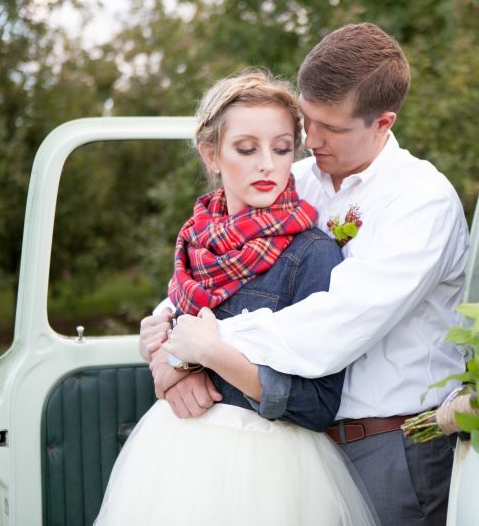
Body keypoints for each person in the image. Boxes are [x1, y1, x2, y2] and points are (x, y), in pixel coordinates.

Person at [158, 23, 470, 526]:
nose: (312, 140)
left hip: (389, 449)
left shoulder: (420, 201)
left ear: (383, 123)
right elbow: (215, 273)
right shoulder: (293, 178)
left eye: (333, 128)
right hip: (292, 446)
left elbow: (331, 327)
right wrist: (164, 346)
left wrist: (200, 343)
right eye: (307, 121)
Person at [96, 71, 379, 526]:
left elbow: (317, 404)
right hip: (175, 459)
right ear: (212, 155)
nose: (267, 164)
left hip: (271, 473)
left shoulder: (313, 253)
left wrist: (212, 354)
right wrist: (169, 369)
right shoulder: (196, 241)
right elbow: (172, 328)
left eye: (282, 148)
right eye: (246, 149)